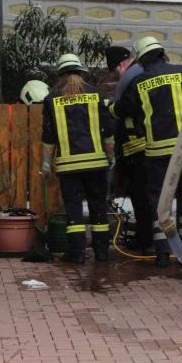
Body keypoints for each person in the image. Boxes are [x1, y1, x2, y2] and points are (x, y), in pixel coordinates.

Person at [110, 37, 182, 267]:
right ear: (162, 53)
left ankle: (162, 253)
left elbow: (123, 109)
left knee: (159, 202)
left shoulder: (140, 81)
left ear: (141, 59)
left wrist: (108, 107)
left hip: (156, 152)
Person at [41, 53, 114, 264]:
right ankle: (101, 253)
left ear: (61, 75)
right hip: (97, 164)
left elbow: (48, 137)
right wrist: (110, 156)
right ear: (81, 73)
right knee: (98, 207)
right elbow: (108, 130)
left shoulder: (52, 99)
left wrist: (46, 165)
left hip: (68, 167)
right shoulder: (96, 95)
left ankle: (77, 254)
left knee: (74, 211)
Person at [104, 46, 153, 253]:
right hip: (146, 148)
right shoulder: (141, 74)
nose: (116, 76)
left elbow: (126, 108)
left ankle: (146, 241)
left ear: (121, 64)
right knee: (146, 198)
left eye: (115, 71)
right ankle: (150, 239)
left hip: (138, 149)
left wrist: (111, 108)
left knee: (142, 198)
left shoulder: (133, 79)